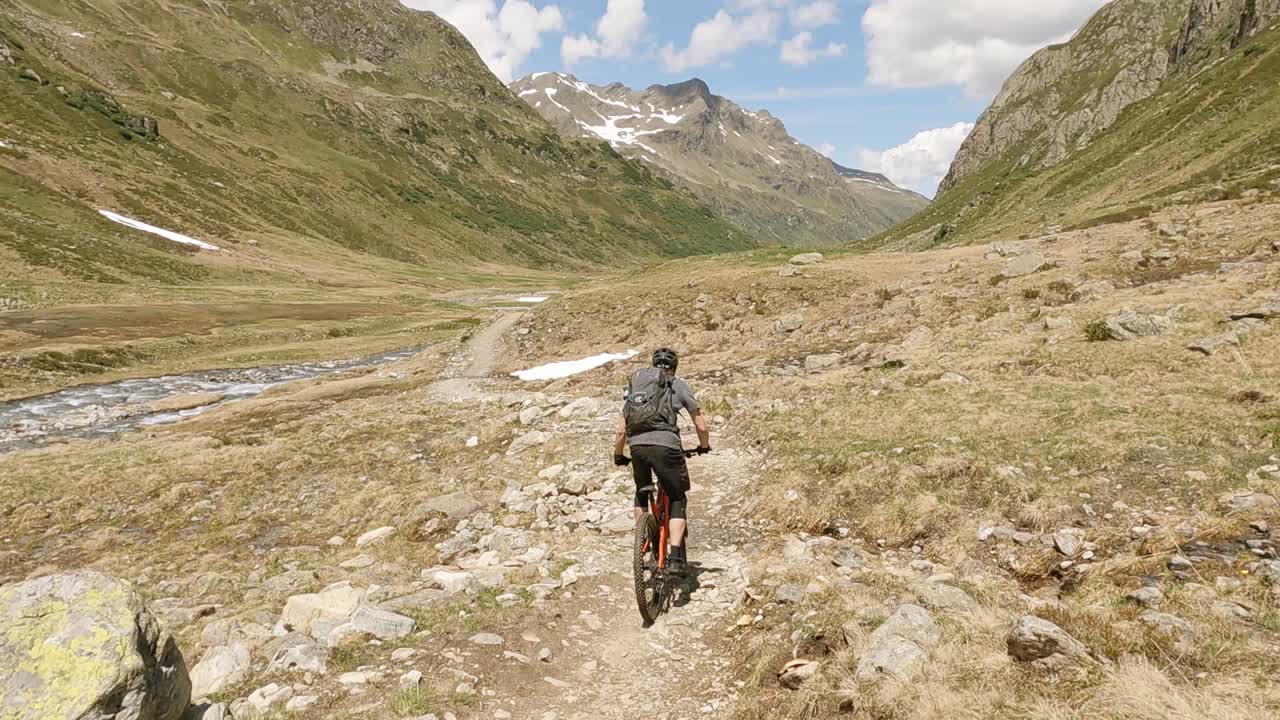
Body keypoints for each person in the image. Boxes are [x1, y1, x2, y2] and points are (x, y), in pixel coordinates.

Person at [614, 347, 710, 574]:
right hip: (666, 446)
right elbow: (701, 424)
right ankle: (675, 556)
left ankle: (643, 538)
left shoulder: (635, 387)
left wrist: (619, 454)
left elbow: (620, 430)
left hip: (637, 446)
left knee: (641, 491)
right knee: (677, 497)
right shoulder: (677, 384)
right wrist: (704, 446)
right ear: (675, 367)